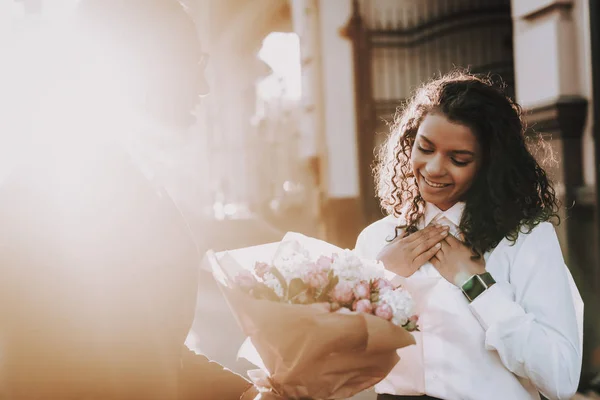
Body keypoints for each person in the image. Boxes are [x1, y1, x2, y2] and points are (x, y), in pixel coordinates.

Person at [0, 1, 257, 399]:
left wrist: (253, 393)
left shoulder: (133, 176)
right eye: (192, 61)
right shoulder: (64, 187)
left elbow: (156, 353)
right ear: (148, 66)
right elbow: (98, 368)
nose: (203, 85)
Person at [355, 71, 583, 400]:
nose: (434, 168)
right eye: (425, 148)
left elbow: (560, 377)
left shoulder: (525, 241)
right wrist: (378, 277)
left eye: (458, 159)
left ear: (489, 164)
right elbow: (345, 358)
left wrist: (476, 284)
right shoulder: (376, 240)